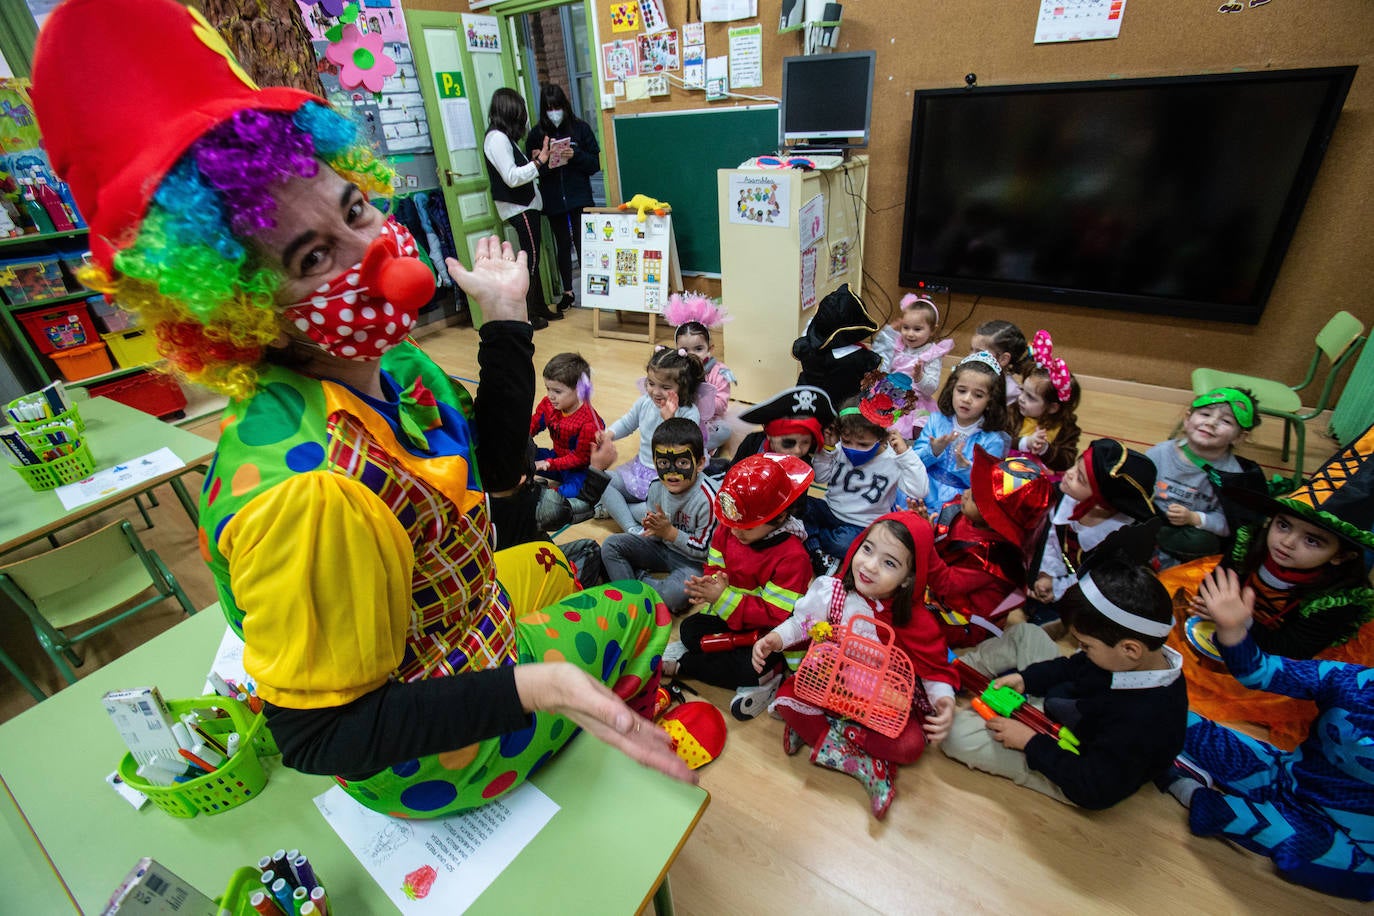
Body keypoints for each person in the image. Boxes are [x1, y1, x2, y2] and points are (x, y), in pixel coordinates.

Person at [31, 0, 691, 820]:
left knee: (553, 565)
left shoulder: (395, 365)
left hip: (464, 627)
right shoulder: (309, 494)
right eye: (312, 257)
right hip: (421, 758)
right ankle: (611, 771)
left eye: (354, 210)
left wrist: (507, 326)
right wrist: (538, 685)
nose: (379, 260)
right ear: (237, 309)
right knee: (630, 608)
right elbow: (317, 739)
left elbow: (494, 469)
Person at [1158, 566, 1374, 902]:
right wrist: (1233, 630)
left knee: (1274, 843)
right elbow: (1262, 672)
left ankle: (1184, 785)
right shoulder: (1351, 680)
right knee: (1168, 716)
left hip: (1347, 836)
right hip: (1285, 775)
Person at [1156, 423, 1374, 749]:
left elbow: (1290, 654)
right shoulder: (1254, 543)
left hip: (1273, 651)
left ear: (1340, 557)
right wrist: (1207, 602)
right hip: (1229, 623)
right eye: (1283, 525)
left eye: (1312, 541)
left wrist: (1239, 624)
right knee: (1165, 601)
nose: (1286, 543)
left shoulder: (1340, 602)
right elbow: (1221, 576)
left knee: (1265, 699)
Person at [941, 537, 1189, 810]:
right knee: (1027, 633)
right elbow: (1074, 666)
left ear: (1130, 649)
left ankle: (1010, 727)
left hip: (1072, 759)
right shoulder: (1124, 658)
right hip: (1071, 709)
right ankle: (951, 674)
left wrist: (1029, 742)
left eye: (1086, 645)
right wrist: (1027, 679)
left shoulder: (1146, 720)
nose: (1082, 650)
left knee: (954, 736)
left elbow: (1093, 789)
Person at [759, 512, 958, 819]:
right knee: (786, 699)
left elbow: (934, 666)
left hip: (878, 703)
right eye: (867, 549)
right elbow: (802, 623)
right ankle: (863, 760)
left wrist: (943, 698)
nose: (870, 565)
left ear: (908, 579)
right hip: (828, 685)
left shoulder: (916, 620)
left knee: (911, 746)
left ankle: (833, 738)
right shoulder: (832, 592)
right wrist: (776, 638)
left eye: (889, 563)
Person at [668, 453, 815, 719]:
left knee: (750, 665)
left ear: (779, 518)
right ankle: (704, 658)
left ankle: (761, 678)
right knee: (689, 629)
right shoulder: (730, 527)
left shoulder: (793, 558)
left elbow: (775, 615)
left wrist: (723, 597)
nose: (735, 533)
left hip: (766, 635)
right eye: (732, 524)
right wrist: (711, 584)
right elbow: (715, 563)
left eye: (746, 528)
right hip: (732, 616)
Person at [927, 449, 1053, 647]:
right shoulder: (968, 514)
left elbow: (945, 583)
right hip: (941, 593)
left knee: (912, 622)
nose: (965, 493)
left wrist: (924, 542)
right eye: (972, 486)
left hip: (966, 620)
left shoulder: (992, 558)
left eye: (977, 498)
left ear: (995, 519)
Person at [1026, 439, 1158, 624]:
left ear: (1101, 505)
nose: (1069, 473)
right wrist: (1046, 574)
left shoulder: (1118, 542)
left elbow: (1096, 581)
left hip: (1087, 591)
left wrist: (1059, 588)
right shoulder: (1062, 498)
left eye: (1080, 478)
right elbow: (1052, 543)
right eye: (1075, 466)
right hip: (1058, 577)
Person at [599, 418, 718, 613]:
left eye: (682, 462)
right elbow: (654, 527)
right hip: (661, 546)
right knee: (611, 546)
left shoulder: (708, 499)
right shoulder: (656, 486)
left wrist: (670, 532)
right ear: (654, 462)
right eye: (664, 462)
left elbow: (706, 550)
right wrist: (652, 530)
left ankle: (632, 588)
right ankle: (639, 594)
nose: (672, 472)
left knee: (675, 596)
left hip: (694, 562)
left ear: (700, 463)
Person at [800, 400, 930, 572]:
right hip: (829, 509)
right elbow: (820, 477)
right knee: (801, 506)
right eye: (847, 441)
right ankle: (818, 551)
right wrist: (829, 448)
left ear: (882, 437)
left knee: (844, 545)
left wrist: (905, 454)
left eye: (863, 444)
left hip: (862, 525)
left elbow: (919, 490)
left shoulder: (893, 459)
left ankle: (814, 544)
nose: (853, 449)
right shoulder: (838, 448)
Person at [1146, 386, 1268, 567]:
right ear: (1187, 419)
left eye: (1226, 421)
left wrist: (1194, 518)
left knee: (1203, 542)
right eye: (1205, 414)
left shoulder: (1232, 475)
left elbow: (1230, 524)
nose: (1211, 423)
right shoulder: (1159, 453)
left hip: (1188, 531)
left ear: (1240, 437)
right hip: (1152, 519)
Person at [598, 347, 706, 527]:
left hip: (665, 479)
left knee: (658, 512)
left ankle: (621, 514)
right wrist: (608, 434)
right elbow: (627, 422)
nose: (655, 391)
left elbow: (680, 448)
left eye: (665, 387)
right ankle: (628, 522)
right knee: (601, 481)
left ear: (683, 387)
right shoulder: (644, 403)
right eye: (650, 383)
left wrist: (669, 420)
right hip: (638, 470)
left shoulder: (689, 413)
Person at [484, 87, 562, 329]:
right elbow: (511, 177)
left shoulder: (504, 138)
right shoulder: (496, 138)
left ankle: (539, 308)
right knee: (530, 262)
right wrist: (539, 162)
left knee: (534, 260)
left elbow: (517, 169)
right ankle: (527, 315)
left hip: (527, 206)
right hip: (519, 208)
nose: (523, 117)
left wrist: (534, 160)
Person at [525, 83, 599, 313]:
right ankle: (568, 291)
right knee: (562, 245)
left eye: (557, 107)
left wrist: (575, 155)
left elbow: (594, 164)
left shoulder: (581, 128)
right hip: (554, 199)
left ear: (564, 106)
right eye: (549, 108)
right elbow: (534, 172)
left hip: (579, 197)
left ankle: (593, 290)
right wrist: (543, 160)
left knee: (584, 243)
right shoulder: (537, 135)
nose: (554, 112)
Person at [913, 351, 1012, 514]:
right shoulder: (936, 421)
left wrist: (966, 468)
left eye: (978, 395)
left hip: (960, 506)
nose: (966, 399)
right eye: (961, 390)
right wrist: (934, 450)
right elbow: (914, 463)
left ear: (991, 401)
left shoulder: (993, 440)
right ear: (952, 389)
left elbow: (986, 487)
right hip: (923, 491)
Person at [868, 293, 953, 436]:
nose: (910, 334)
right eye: (906, 327)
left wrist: (920, 376)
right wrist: (888, 335)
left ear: (932, 330)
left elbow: (930, 388)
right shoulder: (898, 345)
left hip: (915, 403)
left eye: (917, 329)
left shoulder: (932, 354)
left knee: (916, 432)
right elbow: (881, 364)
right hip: (890, 397)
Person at [666, 292, 737, 454]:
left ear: (709, 349)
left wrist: (698, 397)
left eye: (698, 349)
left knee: (724, 430)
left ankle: (701, 448)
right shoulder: (676, 368)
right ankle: (685, 444)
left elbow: (721, 405)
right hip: (682, 416)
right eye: (684, 350)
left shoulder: (718, 371)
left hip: (710, 420)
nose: (692, 354)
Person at [531, 352, 603, 507]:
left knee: (574, 492)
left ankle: (543, 493)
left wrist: (549, 464)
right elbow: (534, 424)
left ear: (579, 390)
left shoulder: (588, 423)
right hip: (557, 458)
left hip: (579, 469)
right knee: (523, 455)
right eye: (548, 388)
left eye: (557, 391)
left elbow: (579, 458)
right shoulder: (548, 404)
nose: (550, 396)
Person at [792, 283, 880, 407]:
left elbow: (810, 327)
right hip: (839, 410)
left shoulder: (807, 345)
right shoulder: (861, 358)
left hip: (806, 402)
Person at [1008, 330, 1082, 474]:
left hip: (1041, 480)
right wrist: (1025, 443)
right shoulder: (1013, 411)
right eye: (1022, 390)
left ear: (1053, 408)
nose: (1021, 398)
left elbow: (1067, 461)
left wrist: (1045, 449)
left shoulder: (1066, 428)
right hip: (1006, 471)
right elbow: (999, 439)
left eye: (1030, 397)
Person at [728, 384, 835, 467]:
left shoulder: (803, 465)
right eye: (788, 443)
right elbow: (733, 470)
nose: (798, 450)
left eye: (806, 442)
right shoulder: (752, 443)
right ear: (769, 435)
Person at [970, 318, 1033, 401]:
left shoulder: (1010, 392)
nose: (970, 356)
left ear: (1003, 359)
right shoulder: (969, 377)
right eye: (971, 349)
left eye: (979, 353)